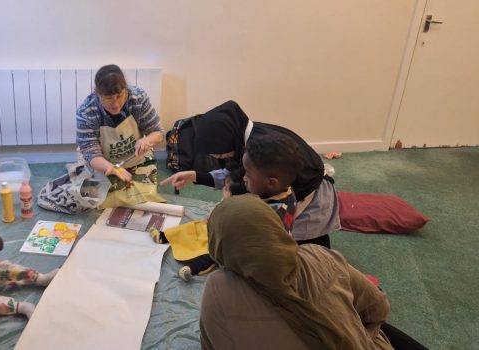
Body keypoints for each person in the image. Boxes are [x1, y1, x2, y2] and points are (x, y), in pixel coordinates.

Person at [201, 194, 397, 349]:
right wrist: (357, 337)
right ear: (275, 227)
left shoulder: (218, 288)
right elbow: (379, 308)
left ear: (219, 248)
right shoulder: (321, 256)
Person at [161, 100, 339, 247]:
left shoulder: (264, 162)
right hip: (296, 195)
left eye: (219, 154)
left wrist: (227, 210)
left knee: (303, 246)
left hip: (313, 201)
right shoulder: (247, 142)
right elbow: (234, 174)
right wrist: (195, 176)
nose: (217, 158)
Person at [149, 133, 301, 281]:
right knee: (198, 227)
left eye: (248, 174)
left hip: (246, 253)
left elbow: (257, 251)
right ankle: (167, 236)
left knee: (217, 249)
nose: (243, 177)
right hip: (238, 232)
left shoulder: (275, 215)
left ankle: (200, 264)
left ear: (271, 182)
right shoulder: (270, 189)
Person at [76, 64, 165, 206]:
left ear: (125, 89)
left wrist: (147, 140)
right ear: (98, 94)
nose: (116, 104)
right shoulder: (86, 112)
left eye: (119, 95)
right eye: (109, 98)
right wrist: (109, 167)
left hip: (135, 158)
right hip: (102, 162)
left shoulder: (138, 98)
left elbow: (158, 133)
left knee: (143, 199)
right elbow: (90, 152)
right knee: (97, 201)